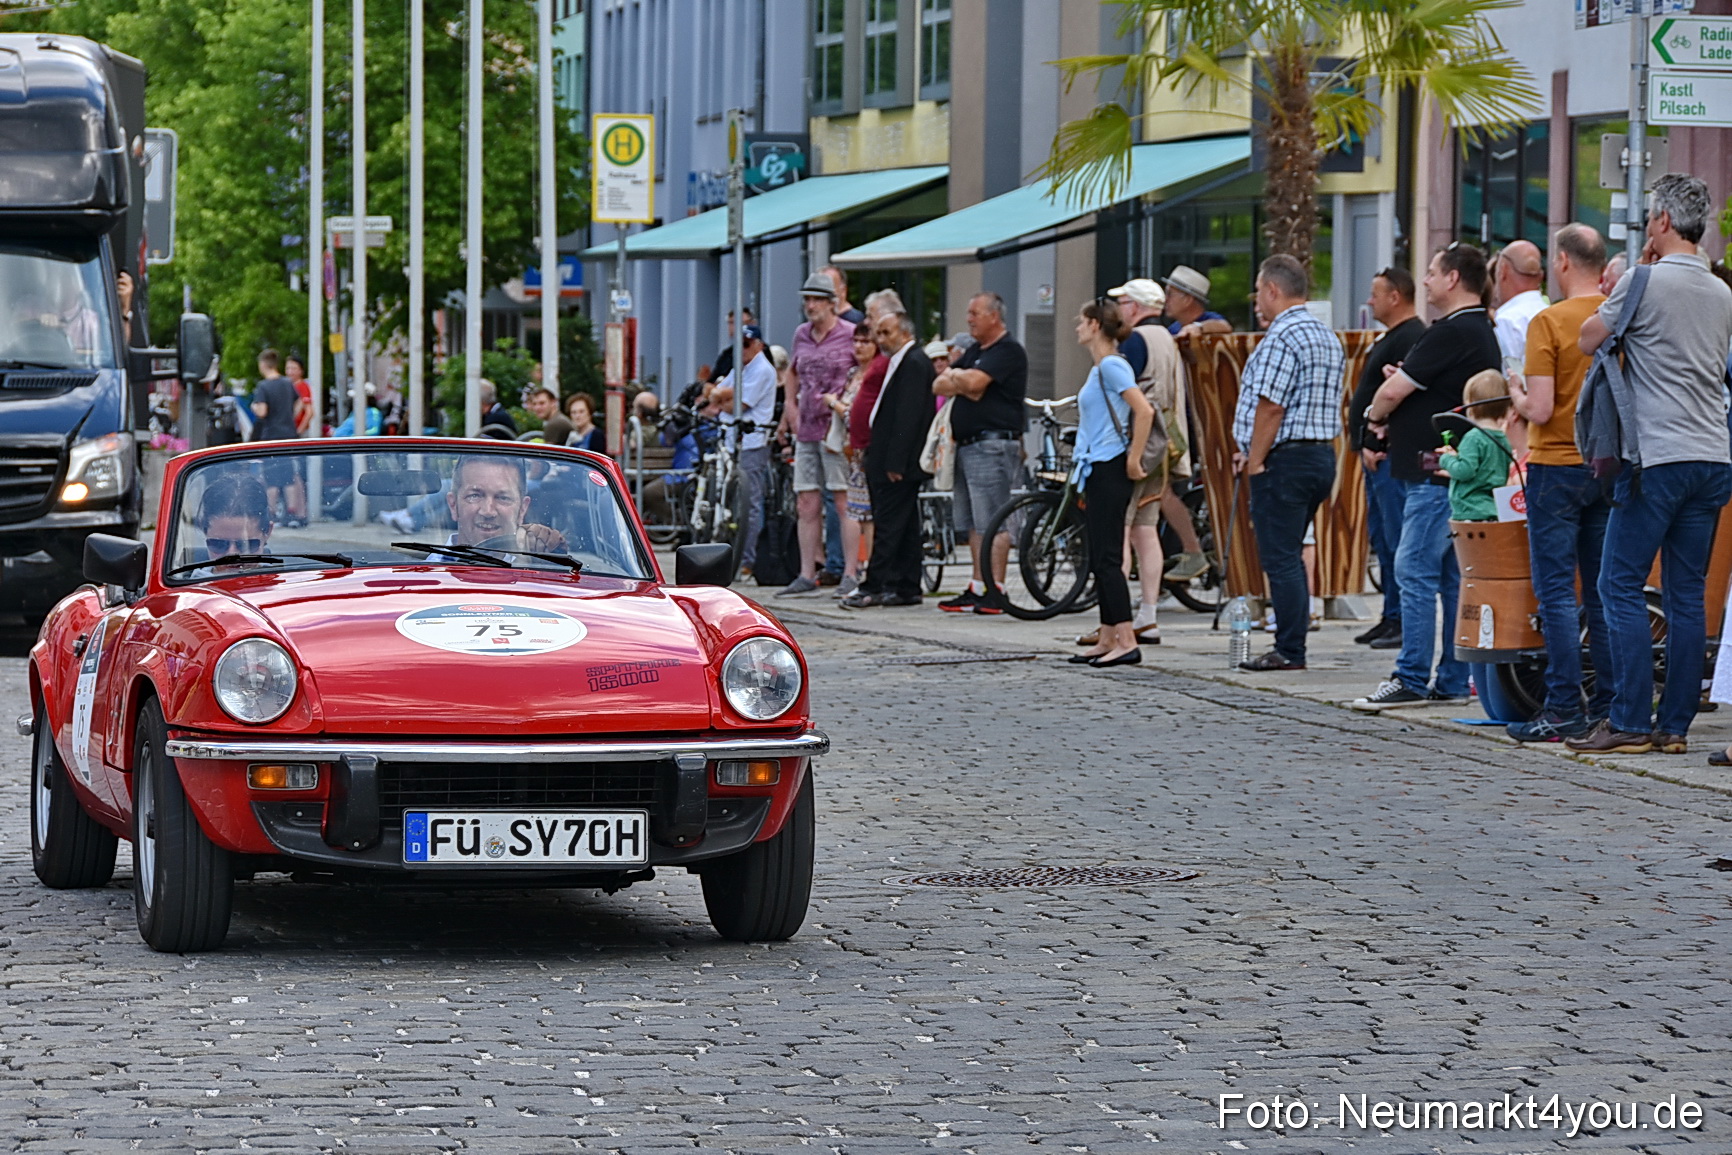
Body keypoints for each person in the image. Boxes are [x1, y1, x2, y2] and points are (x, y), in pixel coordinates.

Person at [1566, 174, 1732, 756]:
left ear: (1661, 221)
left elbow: (1589, 338)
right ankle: (1674, 726)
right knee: (1687, 595)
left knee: (1617, 583)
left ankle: (1630, 720)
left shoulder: (1643, 280)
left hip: (1656, 456)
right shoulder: (1722, 291)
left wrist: (1637, 270)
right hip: (1712, 456)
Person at [1353, 242, 1500, 710]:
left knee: (1413, 569)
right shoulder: (1476, 329)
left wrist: (1376, 415)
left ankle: (1411, 676)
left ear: (1453, 278)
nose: (1427, 280)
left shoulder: (1453, 330)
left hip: (1434, 475)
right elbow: (1429, 386)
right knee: (1451, 576)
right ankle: (1453, 677)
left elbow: (1392, 391)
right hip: (1453, 474)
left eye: (1433, 272)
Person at [1505, 223, 1612, 743]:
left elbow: (1542, 408)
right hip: (1605, 464)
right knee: (1603, 590)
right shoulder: (1615, 315)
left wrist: (1516, 393)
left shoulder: (1548, 321)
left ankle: (1564, 704)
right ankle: (1609, 704)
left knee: (1556, 591)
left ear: (1563, 262)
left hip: (1555, 465)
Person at [1232, 255, 1345, 672]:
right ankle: (1291, 642)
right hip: (1320, 455)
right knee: (1292, 552)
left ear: (1273, 290)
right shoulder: (1326, 336)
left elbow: (1272, 407)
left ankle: (1289, 648)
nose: (1256, 300)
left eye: (1258, 291)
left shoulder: (1282, 336)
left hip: (1285, 458)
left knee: (1280, 557)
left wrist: (1255, 460)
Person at [1064, 298, 1153, 667]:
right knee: (1100, 556)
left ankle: (1126, 640)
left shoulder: (1113, 366)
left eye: (1081, 321)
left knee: (1108, 558)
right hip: (1096, 466)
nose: (1077, 327)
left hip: (1109, 466)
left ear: (1096, 325)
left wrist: (1133, 458)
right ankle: (1107, 636)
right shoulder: (1100, 368)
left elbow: (1144, 410)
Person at [1346, 266, 1425, 650]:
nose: (1369, 301)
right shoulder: (1393, 337)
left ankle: (1401, 619)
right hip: (1377, 456)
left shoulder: (1411, 337)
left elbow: (1404, 395)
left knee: (1396, 539)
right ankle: (1390, 614)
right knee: (1383, 536)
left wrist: (1379, 442)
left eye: (1375, 294)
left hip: (1388, 458)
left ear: (1395, 297)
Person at [934, 292, 1028, 614]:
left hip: (992, 444)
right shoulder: (976, 351)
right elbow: (939, 384)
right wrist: (962, 380)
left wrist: (961, 380)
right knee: (973, 521)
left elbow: (974, 384)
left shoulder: (1008, 350)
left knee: (993, 520)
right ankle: (978, 585)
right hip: (967, 444)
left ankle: (995, 589)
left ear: (994, 316)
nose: (969, 319)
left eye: (975, 313)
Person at [843, 312, 934, 608]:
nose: (880, 340)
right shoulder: (899, 361)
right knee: (904, 526)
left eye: (886, 333)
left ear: (905, 333)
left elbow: (909, 415)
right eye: (878, 333)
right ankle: (906, 586)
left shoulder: (914, 362)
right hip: (884, 455)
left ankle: (874, 585)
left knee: (888, 524)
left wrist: (896, 461)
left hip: (897, 462)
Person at [777, 272, 856, 596]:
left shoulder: (849, 333)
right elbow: (792, 372)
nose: (810, 306)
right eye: (807, 299)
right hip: (807, 427)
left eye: (816, 300)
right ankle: (807, 572)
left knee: (843, 499)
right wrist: (790, 407)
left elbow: (864, 370)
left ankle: (851, 572)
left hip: (835, 429)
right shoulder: (801, 335)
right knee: (806, 501)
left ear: (831, 303)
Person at [713, 325, 776, 580]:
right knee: (732, 500)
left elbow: (739, 404)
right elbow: (715, 393)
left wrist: (722, 399)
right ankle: (734, 556)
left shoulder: (762, 369)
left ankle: (748, 559)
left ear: (759, 345)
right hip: (734, 440)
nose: (742, 349)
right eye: (739, 344)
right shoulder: (741, 368)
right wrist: (721, 397)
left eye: (747, 344)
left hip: (752, 442)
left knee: (750, 502)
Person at [826, 325, 884, 599]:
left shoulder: (876, 374)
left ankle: (871, 571)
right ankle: (854, 572)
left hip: (867, 450)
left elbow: (858, 413)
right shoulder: (852, 374)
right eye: (856, 341)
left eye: (865, 341)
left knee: (868, 516)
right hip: (850, 452)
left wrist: (834, 405)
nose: (859, 346)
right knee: (855, 511)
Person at [1438, 369, 1514, 521]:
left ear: (1470, 407)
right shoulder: (1503, 438)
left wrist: (1446, 459)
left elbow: (1464, 471)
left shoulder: (1473, 438)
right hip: (1493, 508)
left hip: (1470, 510)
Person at [249, 349, 306, 525]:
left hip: (271, 437)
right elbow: (300, 402)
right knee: (289, 476)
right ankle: (292, 515)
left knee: (271, 479)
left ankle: (271, 515)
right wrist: (290, 416)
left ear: (263, 365)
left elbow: (262, 412)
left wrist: (254, 407)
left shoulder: (263, 386)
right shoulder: (287, 383)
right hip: (289, 435)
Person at [193, 472, 272, 565]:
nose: (232, 555)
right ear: (204, 530)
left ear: (267, 532)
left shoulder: (284, 574)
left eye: (245, 545)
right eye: (219, 545)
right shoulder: (187, 574)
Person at [1491, 240, 1548, 364]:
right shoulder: (1550, 314)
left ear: (1503, 271)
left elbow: (1507, 371)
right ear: (1541, 276)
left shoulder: (1506, 321)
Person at [1162, 266, 1231, 339]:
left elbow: (1224, 326)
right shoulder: (1173, 329)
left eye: (1169, 294)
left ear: (1188, 299)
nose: (1165, 299)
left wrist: (1199, 327)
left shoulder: (1210, 319)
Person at [710, 307, 756, 383]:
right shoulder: (727, 354)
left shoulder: (762, 354)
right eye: (731, 323)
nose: (734, 327)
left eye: (742, 323)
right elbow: (711, 381)